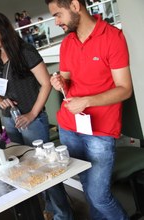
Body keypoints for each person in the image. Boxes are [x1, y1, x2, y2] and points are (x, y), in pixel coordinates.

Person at [0, 11, 73, 220]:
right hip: (9, 119)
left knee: (47, 170)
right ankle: (47, 210)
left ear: (3, 30)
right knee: (24, 170)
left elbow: (46, 83)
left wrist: (32, 113)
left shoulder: (25, 50)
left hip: (32, 119)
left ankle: (63, 215)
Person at [46, 0, 132, 219]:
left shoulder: (113, 37)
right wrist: (58, 83)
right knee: (87, 188)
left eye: (58, 15)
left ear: (75, 5)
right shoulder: (67, 43)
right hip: (69, 127)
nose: (56, 22)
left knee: (99, 196)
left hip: (100, 132)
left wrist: (86, 102)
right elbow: (66, 80)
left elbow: (124, 90)